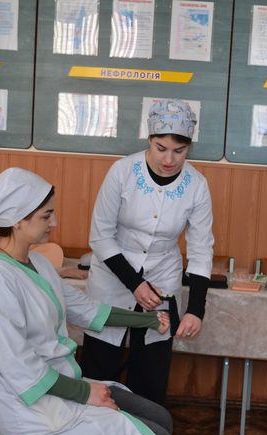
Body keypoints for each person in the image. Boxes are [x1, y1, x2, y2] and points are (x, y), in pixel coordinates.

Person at [0, 167, 184, 435]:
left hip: (61, 386)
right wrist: (85, 393)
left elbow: (86, 309)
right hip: (30, 409)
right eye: (46, 216)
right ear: (18, 219)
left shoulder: (38, 264)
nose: (54, 222)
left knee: (159, 419)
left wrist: (149, 319)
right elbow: (19, 368)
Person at [83, 99, 214, 406]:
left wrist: (196, 309)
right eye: (160, 148)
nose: (169, 159)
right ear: (149, 139)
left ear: (189, 147)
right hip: (113, 278)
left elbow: (200, 248)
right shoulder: (122, 171)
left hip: (162, 280)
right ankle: (94, 431)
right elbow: (100, 236)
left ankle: (145, 432)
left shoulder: (197, 185)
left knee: (151, 373)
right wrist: (135, 283)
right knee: (100, 366)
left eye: (179, 151)